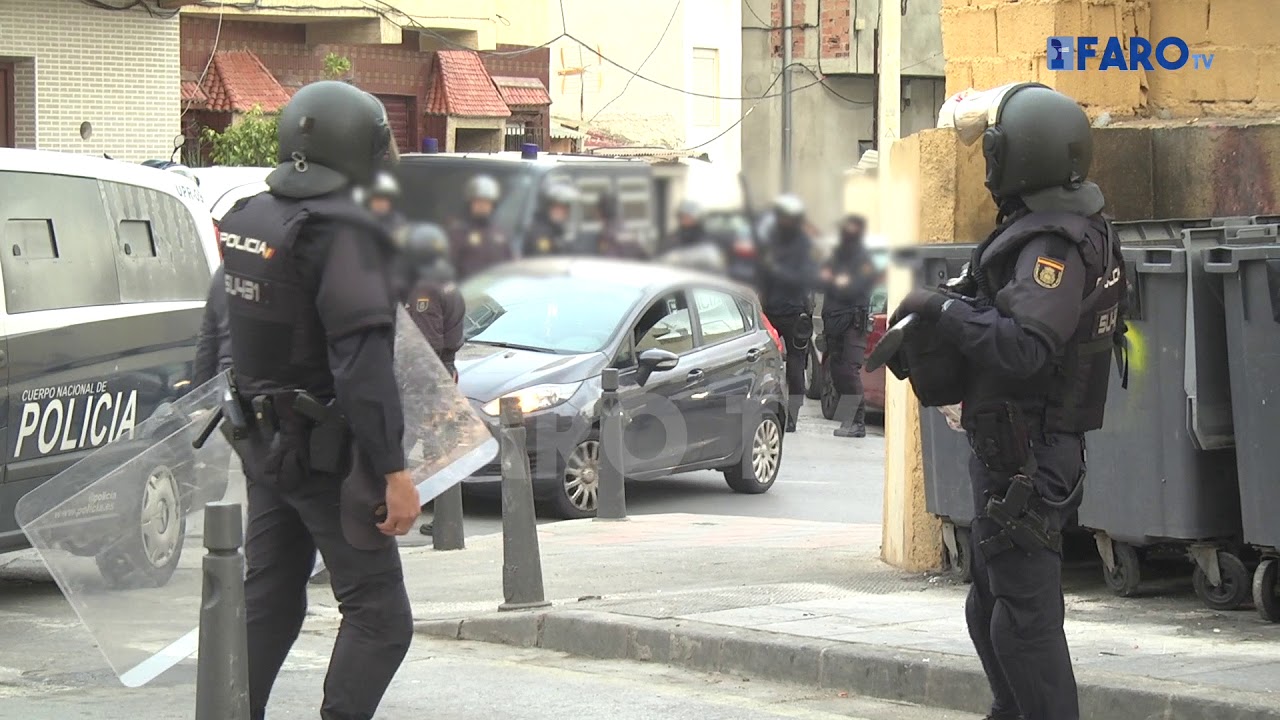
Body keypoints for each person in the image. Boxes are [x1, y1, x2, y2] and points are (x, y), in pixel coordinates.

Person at [888, 84, 1126, 720]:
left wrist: (939, 308)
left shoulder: (1053, 245)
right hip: (1012, 450)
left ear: (1024, 157)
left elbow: (1026, 348)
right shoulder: (1043, 226)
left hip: (1029, 456)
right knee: (991, 607)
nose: (987, 164)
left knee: (1023, 623)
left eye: (994, 151)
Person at [215, 80, 420, 720]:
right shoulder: (348, 235)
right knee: (381, 617)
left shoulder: (252, 216)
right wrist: (393, 471)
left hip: (264, 442)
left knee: (271, 598)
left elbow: (221, 327)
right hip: (326, 454)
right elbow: (360, 365)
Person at [401, 222, 466, 538]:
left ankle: (394, 507)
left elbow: (425, 341)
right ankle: (446, 519)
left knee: (401, 444)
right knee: (440, 446)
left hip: (424, 376)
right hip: (442, 372)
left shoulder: (424, 286)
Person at [758, 193, 819, 432]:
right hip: (782, 312)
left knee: (787, 365)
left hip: (786, 313)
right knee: (781, 362)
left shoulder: (784, 244)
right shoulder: (792, 243)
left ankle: (788, 414)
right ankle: (782, 413)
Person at [819, 214, 877, 438]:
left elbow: (856, 287)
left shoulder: (864, 259)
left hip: (853, 322)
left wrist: (840, 282)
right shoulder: (835, 256)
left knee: (849, 371)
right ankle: (850, 420)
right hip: (834, 320)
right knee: (837, 371)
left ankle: (857, 423)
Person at [450, 174, 511, 280]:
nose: (482, 206)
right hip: (468, 290)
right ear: (470, 203)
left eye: (486, 202)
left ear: (493, 205)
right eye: (478, 201)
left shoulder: (499, 234)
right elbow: (451, 266)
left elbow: (509, 264)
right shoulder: (459, 232)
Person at [524, 181, 577, 257]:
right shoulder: (540, 232)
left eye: (565, 208)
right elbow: (543, 259)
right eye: (556, 207)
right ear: (547, 208)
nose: (561, 212)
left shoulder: (557, 229)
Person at [595, 190, 648, 259]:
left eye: (597, 210)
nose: (595, 214)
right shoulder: (623, 228)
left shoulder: (609, 234)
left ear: (601, 212)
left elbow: (609, 260)